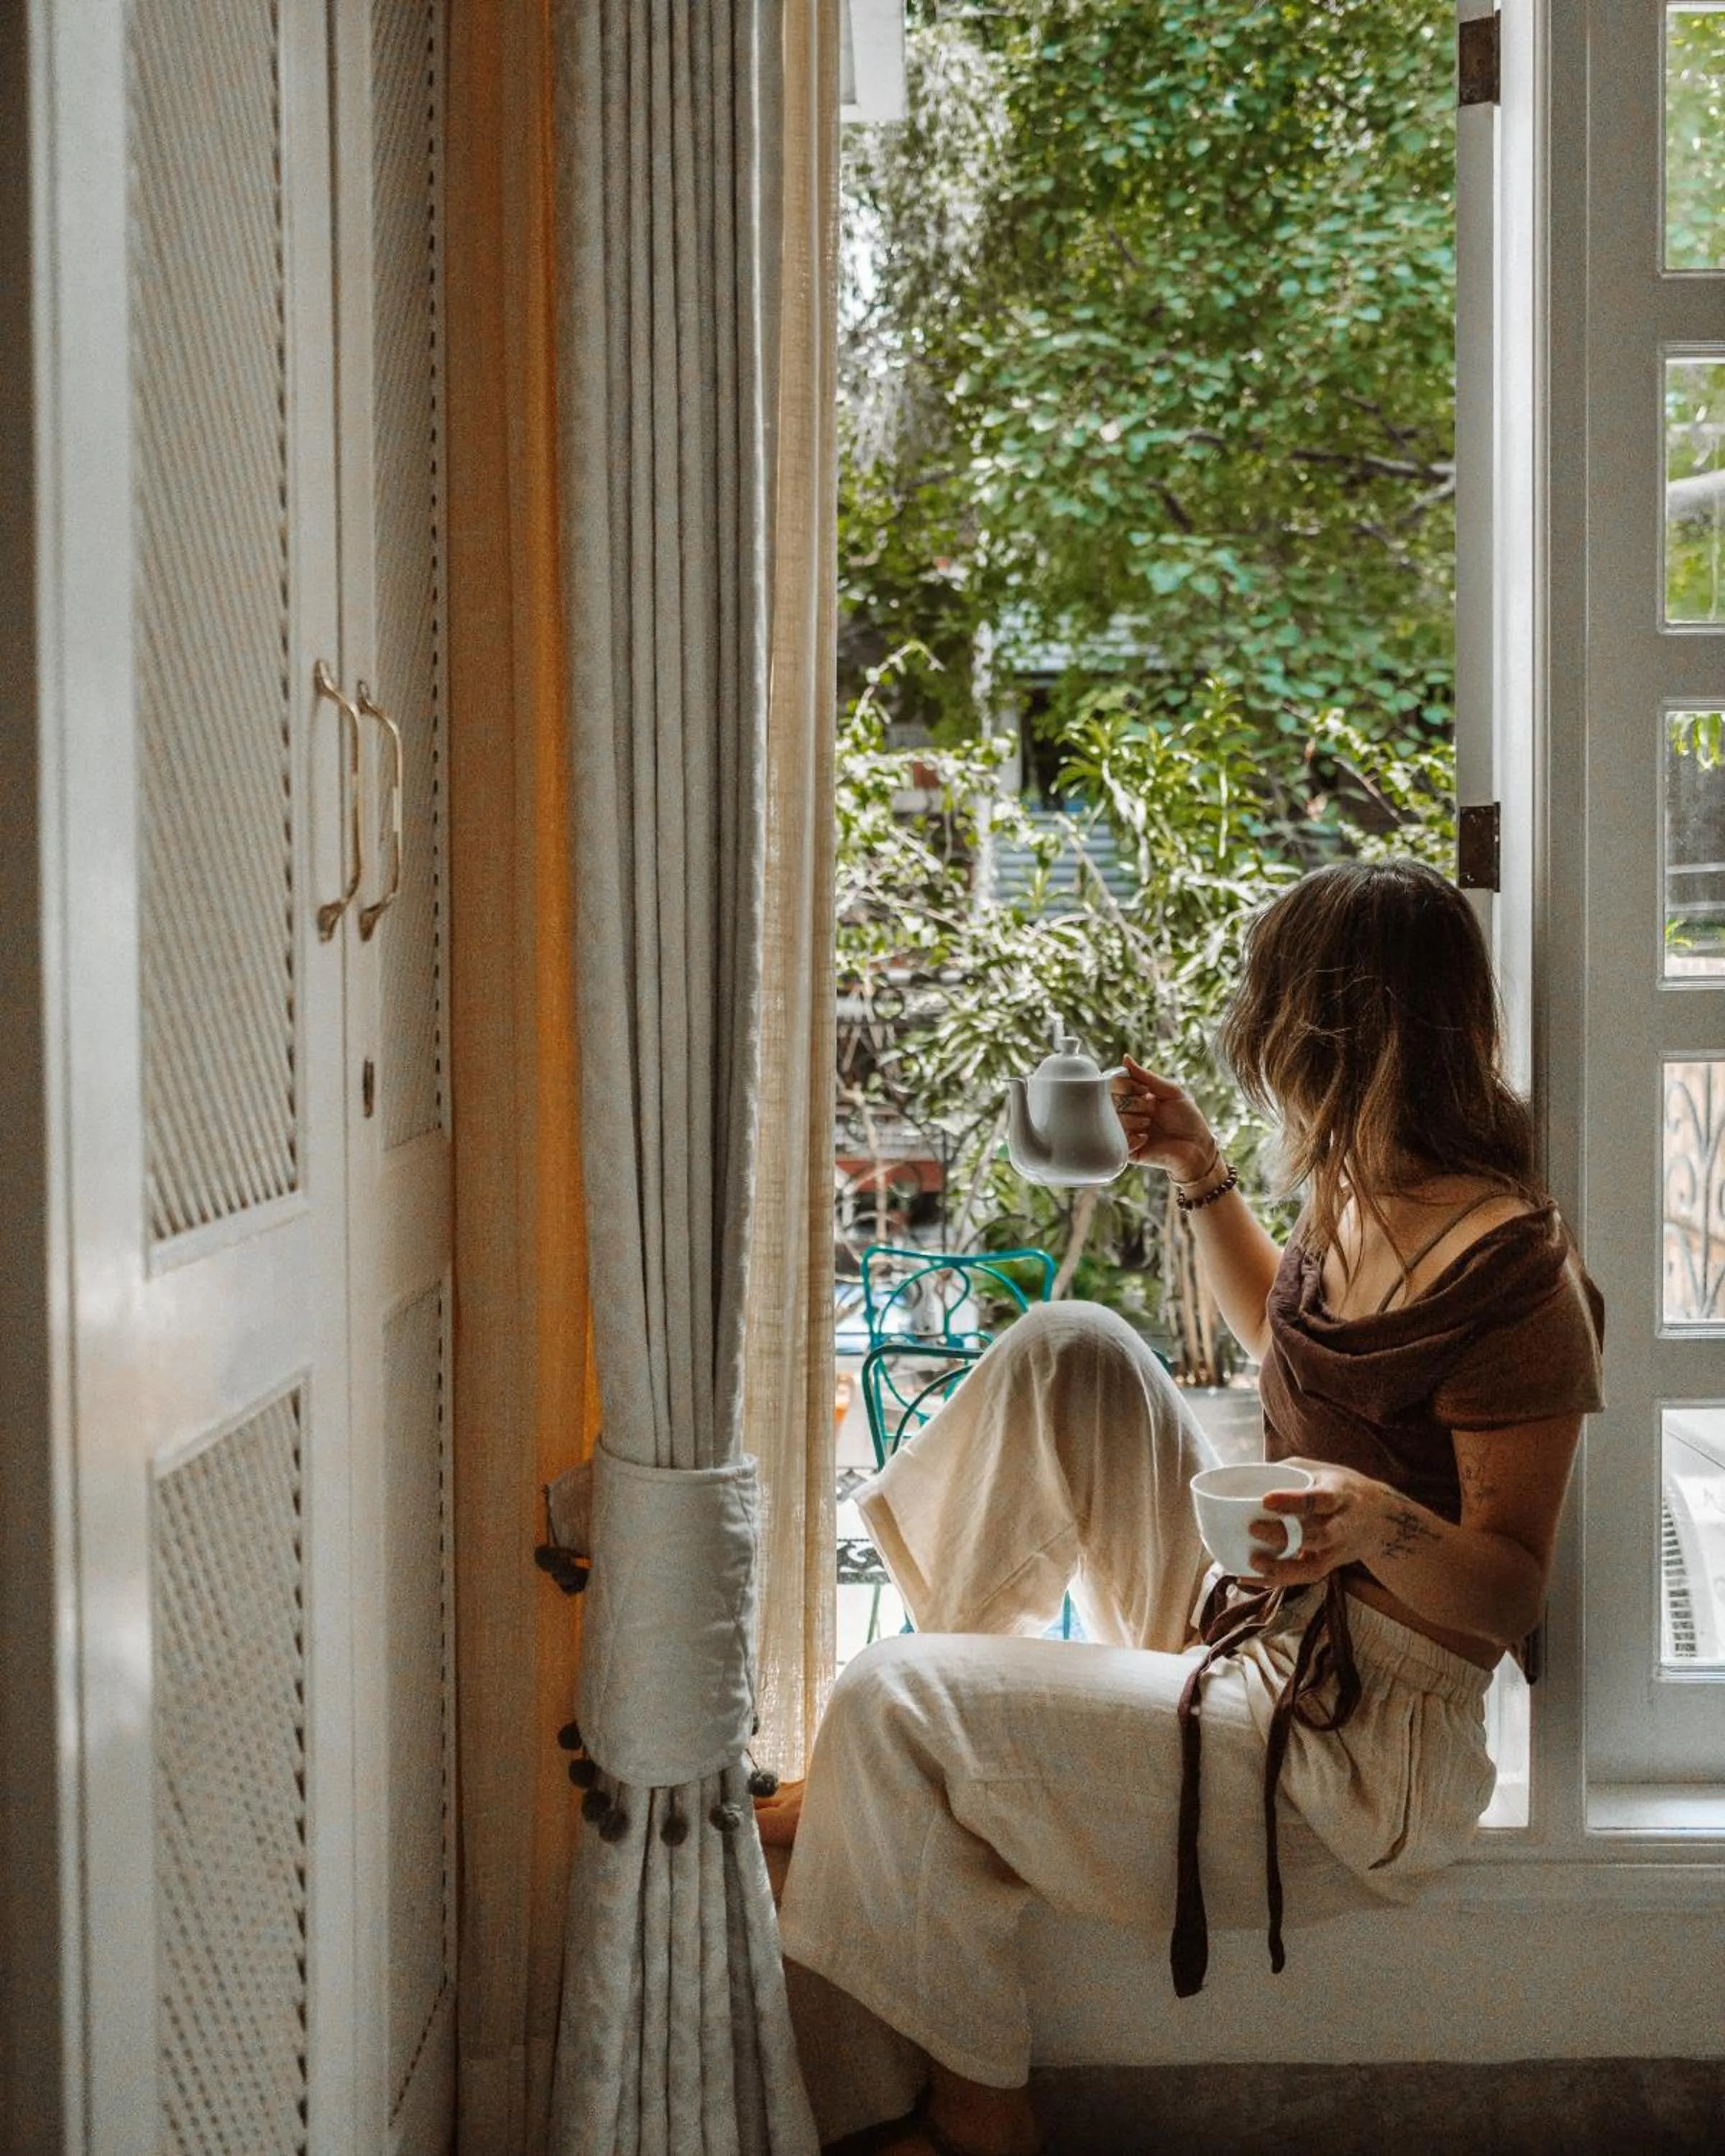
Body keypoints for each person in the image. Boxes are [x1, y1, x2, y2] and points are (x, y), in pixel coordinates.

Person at [771, 859, 1604, 2156]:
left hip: (1359, 1756)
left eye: (1271, 1020)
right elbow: (1294, 1369)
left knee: (891, 1696)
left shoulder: (1517, 1276)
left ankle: (978, 2114)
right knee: (1073, 1346)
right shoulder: (1356, 1192)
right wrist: (1199, 1168)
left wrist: (1378, 1519)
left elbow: (1508, 1591)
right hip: (1259, 1627)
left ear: (1332, 1034)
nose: (1257, 1050)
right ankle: (925, 1760)